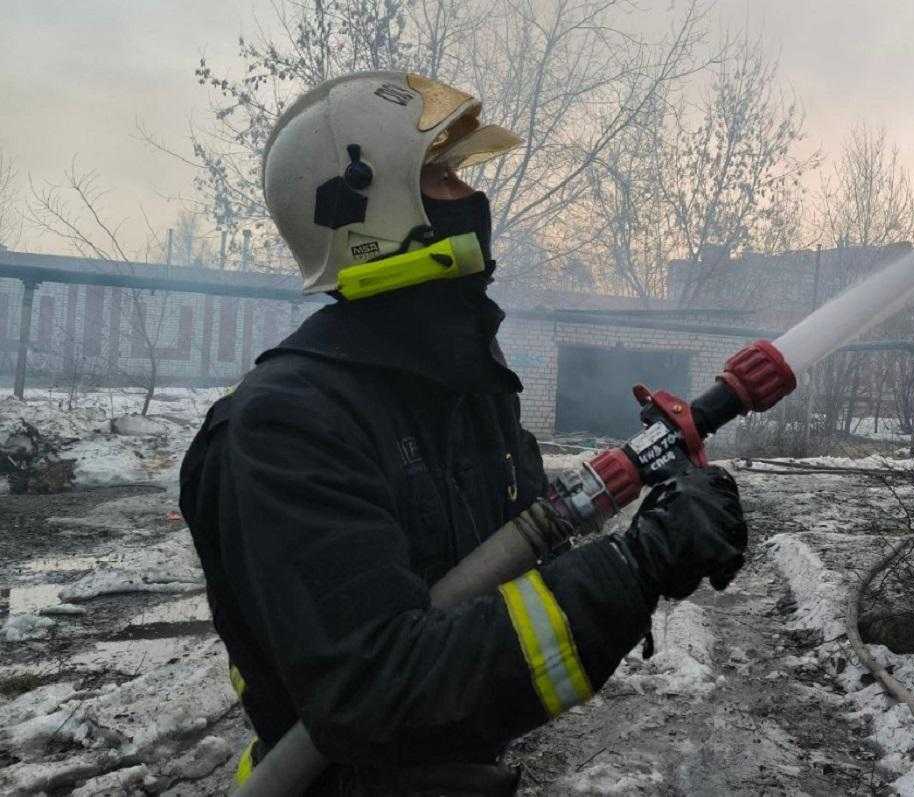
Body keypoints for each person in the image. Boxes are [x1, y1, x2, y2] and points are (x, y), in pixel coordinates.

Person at [178, 71, 747, 795]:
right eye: (441, 174)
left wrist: (649, 499)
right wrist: (634, 568)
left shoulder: (461, 384)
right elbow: (382, 688)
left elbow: (509, 550)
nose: (473, 197)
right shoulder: (286, 424)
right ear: (369, 206)